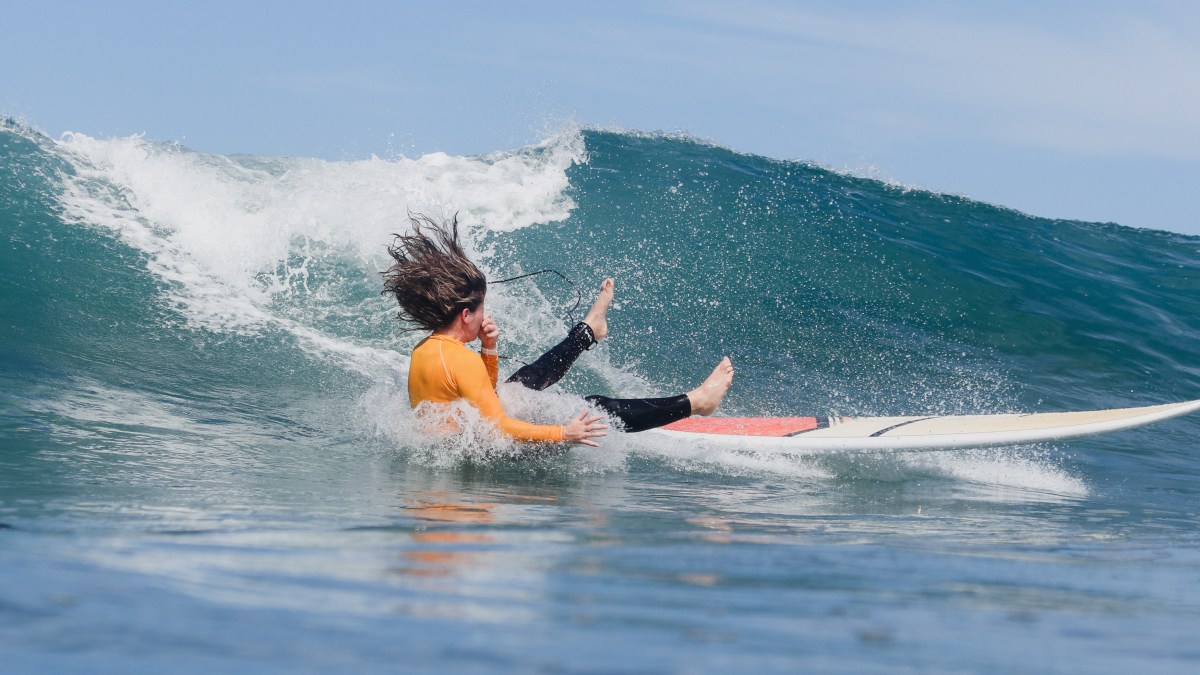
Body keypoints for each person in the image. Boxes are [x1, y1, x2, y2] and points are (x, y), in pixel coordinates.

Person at [382, 214, 734, 447]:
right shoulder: (461, 361)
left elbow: (480, 394)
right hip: (490, 447)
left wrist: (488, 349)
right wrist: (563, 433)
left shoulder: (426, 349)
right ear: (465, 315)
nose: (485, 314)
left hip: (464, 437)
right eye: (482, 308)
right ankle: (696, 403)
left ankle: (589, 331)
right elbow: (498, 426)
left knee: (525, 379)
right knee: (594, 409)